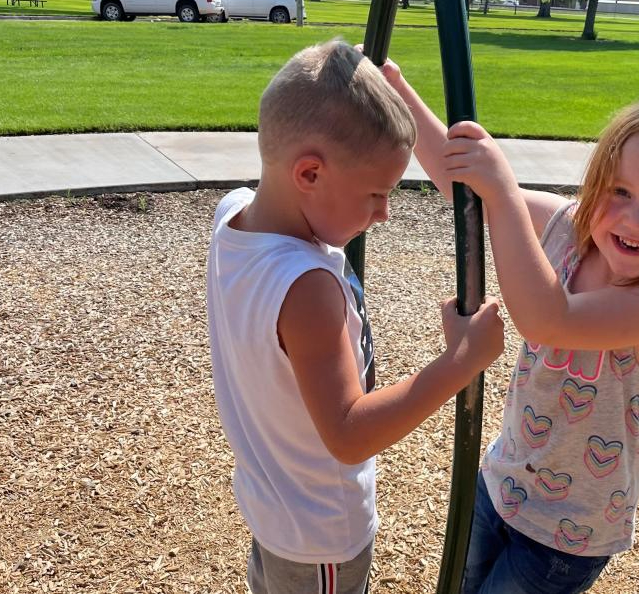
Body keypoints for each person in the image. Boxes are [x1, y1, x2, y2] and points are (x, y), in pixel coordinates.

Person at [384, 64, 639, 594]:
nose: (635, 220)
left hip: (567, 536)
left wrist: (503, 190)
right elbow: (460, 183)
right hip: (501, 482)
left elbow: (547, 320)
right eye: (620, 191)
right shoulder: (574, 231)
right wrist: (395, 86)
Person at [206, 40, 505, 594]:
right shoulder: (306, 289)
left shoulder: (234, 214)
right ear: (310, 174)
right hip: (320, 534)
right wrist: (460, 361)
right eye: (376, 193)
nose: (384, 213)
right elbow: (347, 433)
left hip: (273, 506)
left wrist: (355, 71)